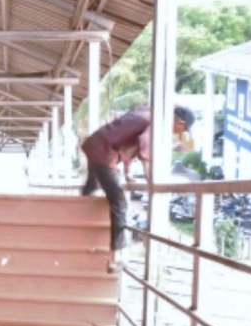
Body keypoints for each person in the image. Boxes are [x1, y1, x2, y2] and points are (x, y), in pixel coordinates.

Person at [82, 105, 196, 273]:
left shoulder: (147, 112)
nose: (179, 132)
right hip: (104, 153)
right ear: (180, 121)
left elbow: (127, 141)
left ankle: (79, 218)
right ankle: (115, 257)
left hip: (95, 144)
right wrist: (151, 180)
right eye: (183, 129)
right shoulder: (157, 123)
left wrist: (128, 172)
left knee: (92, 187)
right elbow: (144, 145)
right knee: (119, 203)